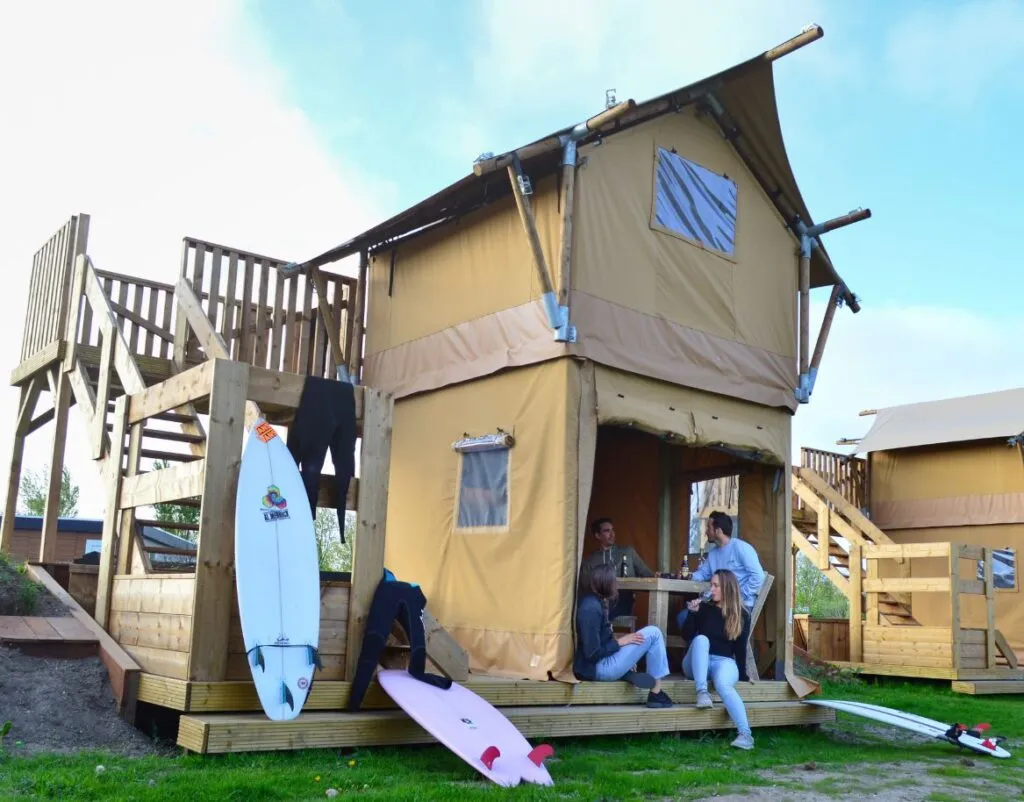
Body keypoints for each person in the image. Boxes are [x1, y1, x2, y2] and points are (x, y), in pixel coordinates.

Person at [574, 563, 674, 709]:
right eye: (614, 581)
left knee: (646, 635)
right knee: (654, 633)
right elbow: (592, 653)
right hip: (598, 668)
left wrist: (625, 651)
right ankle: (656, 693)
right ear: (606, 583)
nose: (616, 585)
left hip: (603, 662)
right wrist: (620, 643)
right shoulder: (590, 608)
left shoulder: (596, 602)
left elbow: (603, 640)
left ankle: (625, 672)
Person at [680, 569, 754, 750]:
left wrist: (742, 674)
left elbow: (740, 648)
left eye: (715, 586)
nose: (711, 589)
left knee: (724, 684)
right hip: (697, 664)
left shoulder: (742, 614)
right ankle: (702, 692)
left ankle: (745, 735)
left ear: (727, 589)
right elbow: (686, 636)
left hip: (723, 662)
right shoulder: (704, 607)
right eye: (710, 585)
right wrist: (692, 613)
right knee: (701, 639)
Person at [579, 517, 656, 619]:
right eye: (607, 531)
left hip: (622, 601)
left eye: (612, 530)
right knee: (589, 604)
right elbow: (584, 588)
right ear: (597, 535)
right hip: (599, 602)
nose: (612, 534)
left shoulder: (628, 552)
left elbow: (648, 575)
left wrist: (659, 576)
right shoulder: (590, 561)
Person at [691, 511, 765, 612]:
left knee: (696, 618)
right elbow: (703, 574)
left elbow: (758, 576)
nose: (706, 532)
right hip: (719, 604)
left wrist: (737, 595)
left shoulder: (741, 548)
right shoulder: (713, 553)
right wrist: (687, 576)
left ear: (718, 531)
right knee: (685, 615)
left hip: (740, 606)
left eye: (709, 528)